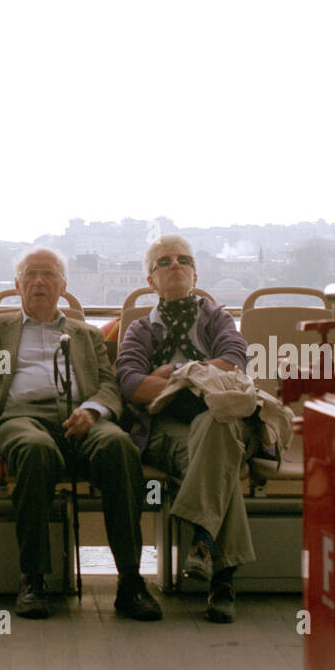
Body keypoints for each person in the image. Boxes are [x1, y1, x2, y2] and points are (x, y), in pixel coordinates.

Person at [0, 247, 162, 621]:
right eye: (30, 275)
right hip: (20, 418)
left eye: (48, 275)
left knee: (119, 446)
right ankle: (33, 579)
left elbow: (108, 386)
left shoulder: (85, 335)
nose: (39, 282)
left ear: (63, 286)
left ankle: (130, 581)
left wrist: (93, 410)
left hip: (82, 418)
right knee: (36, 450)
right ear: (18, 285)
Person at [117, 235, 258, 623]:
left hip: (220, 416)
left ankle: (204, 543)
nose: (175, 265)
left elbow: (234, 362)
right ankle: (221, 580)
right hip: (165, 431)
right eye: (164, 262)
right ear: (151, 280)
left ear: (195, 274)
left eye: (183, 260)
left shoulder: (217, 319)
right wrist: (198, 375)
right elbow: (131, 384)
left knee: (216, 427)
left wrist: (170, 375)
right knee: (220, 449)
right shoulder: (141, 330)